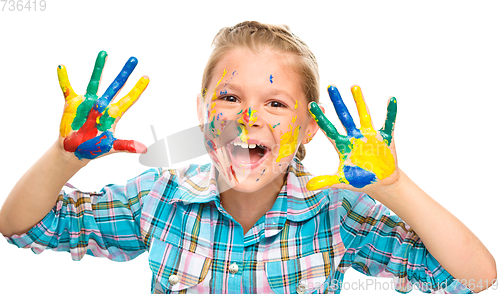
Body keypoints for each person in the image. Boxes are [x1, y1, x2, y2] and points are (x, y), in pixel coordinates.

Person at [0, 21, 496, 294]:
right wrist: (65, 158)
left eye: (276, 103)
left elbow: (474, 275)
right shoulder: (160, 199)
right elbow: (21, 225)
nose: (249, 117)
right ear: (202, 113)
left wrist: (392, 187)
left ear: (307, 130)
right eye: (230, 98)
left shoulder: (337, 215)